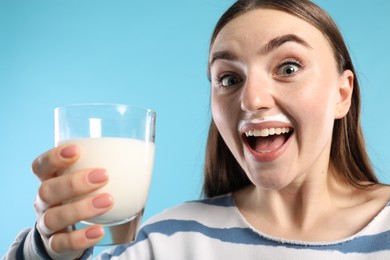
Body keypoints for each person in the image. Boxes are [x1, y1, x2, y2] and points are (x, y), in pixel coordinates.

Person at [5, 0, 390, 259]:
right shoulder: (166, 240)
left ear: (343, 93)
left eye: (288, 68)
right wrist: (44, 250)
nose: (251, 100)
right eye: (227, 78)